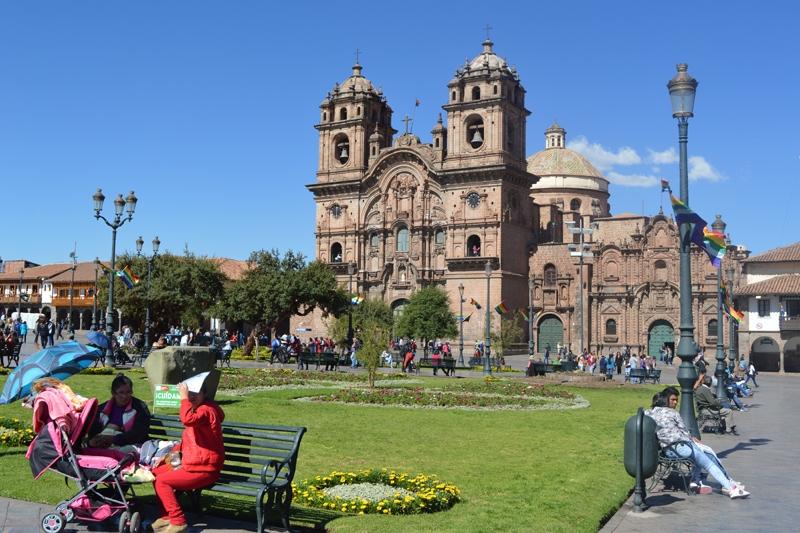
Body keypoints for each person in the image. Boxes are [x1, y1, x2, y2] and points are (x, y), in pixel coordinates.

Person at [151, 373, 225, 533]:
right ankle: (166, 516)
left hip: (204, 470)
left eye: (195, 393)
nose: (191, 397)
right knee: (156, 473)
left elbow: (187, 420)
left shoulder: (206, 411)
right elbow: (188, 442)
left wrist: (183, 397)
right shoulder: (198, 410)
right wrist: (167, 456)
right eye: (189, 393)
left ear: (204, 394)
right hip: (193, 464)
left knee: (163, 481)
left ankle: (178, 521)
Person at [646, 387, 749, 498]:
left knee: (702, 453)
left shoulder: (649, 413)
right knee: (708, 461)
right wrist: (691, 438)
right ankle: (730, 487)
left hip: (667, 450)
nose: (675, 402)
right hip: (682, 448)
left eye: (676, 400)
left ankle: (697, 481)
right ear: (665, 400)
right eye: (673, 400)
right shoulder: (672, 413)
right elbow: (685, 432)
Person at [88, 374, 151, 451]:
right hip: (104, 445)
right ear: (113, 393)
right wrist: (92, 441)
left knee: (122, 451)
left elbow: (139, 432)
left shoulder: (140, 407)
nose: (125, 396)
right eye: (121, 392)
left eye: (128, 392)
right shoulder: (102, 409)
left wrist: (114, 439)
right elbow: (93, 431)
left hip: (132, 444)